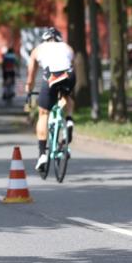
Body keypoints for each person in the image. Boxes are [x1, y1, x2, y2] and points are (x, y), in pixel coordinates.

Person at [25, 27, 75, 172]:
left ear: (45, 39)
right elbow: (70, 63)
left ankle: (42, 155)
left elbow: (31, 75)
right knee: (66, 97)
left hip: (51, 76)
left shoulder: (38, 49)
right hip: (69, 75)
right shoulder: (67, 47)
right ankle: (69, 119)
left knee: (43, 113)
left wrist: (29, 90)